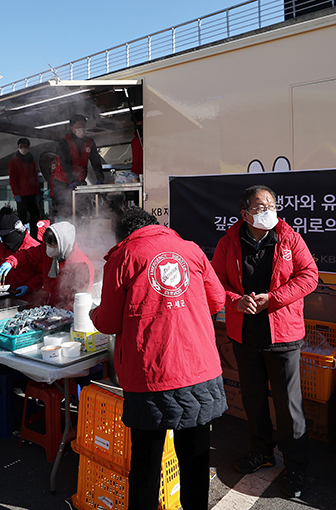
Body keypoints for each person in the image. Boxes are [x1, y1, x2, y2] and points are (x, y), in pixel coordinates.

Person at [89, 207, 227, 510]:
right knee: (195, 461)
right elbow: (217, 300)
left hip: (150, 376)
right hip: (198, 370)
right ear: (156, 226)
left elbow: (109, 322)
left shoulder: (123, 256)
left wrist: (92, 313)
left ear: (123, 234)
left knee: (146, 466)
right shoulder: (191, 250)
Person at [211, 185, 318, 499]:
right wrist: (234, 301)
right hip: (245, 333)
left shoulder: (289, 237)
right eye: (260, 207)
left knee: (289, 406)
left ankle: (296, 464)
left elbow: (309, 275)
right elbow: (216, 279)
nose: (268, 211)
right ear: (244, 213)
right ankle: (262, 451)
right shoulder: (228, 242)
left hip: (283, 335)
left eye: (271, 204)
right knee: (253, 398)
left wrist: (273, 299)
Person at [0, 221, 93, 311]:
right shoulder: (47, 250)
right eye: (46, 245)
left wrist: (62, 315)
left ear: (62, 244)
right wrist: (11, 261)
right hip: (50, 304)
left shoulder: (81, 265)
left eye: (51, 246)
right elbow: (28, 255)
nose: (48, 249)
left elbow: (81, 299)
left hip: (69, 311)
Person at [51, 114, 105, 218]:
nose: (82, 129)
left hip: (79, 180)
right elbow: (65, 163)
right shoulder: (64, 142)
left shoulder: (90, 142)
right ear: (72, 128)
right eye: (78, 127)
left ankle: (80, 230)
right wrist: (71, 180)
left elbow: (95, 161)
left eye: (83, 126)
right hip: (63, 181)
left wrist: (100, 177)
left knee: (81, 209)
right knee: (65, 210)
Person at [9, 138, 41, 239]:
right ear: (18, 147)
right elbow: (13, 180)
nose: (23, 148)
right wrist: (16, 194)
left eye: (25, 146)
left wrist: (37, 192)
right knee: (21, 219)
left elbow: (35, 178)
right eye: (21, 146)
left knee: (35, 217)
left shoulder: (31, 162)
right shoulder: (14, 162)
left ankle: (34, 237)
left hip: (31, 194)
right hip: (21, 196)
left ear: (29, 147)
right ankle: (21, 239)